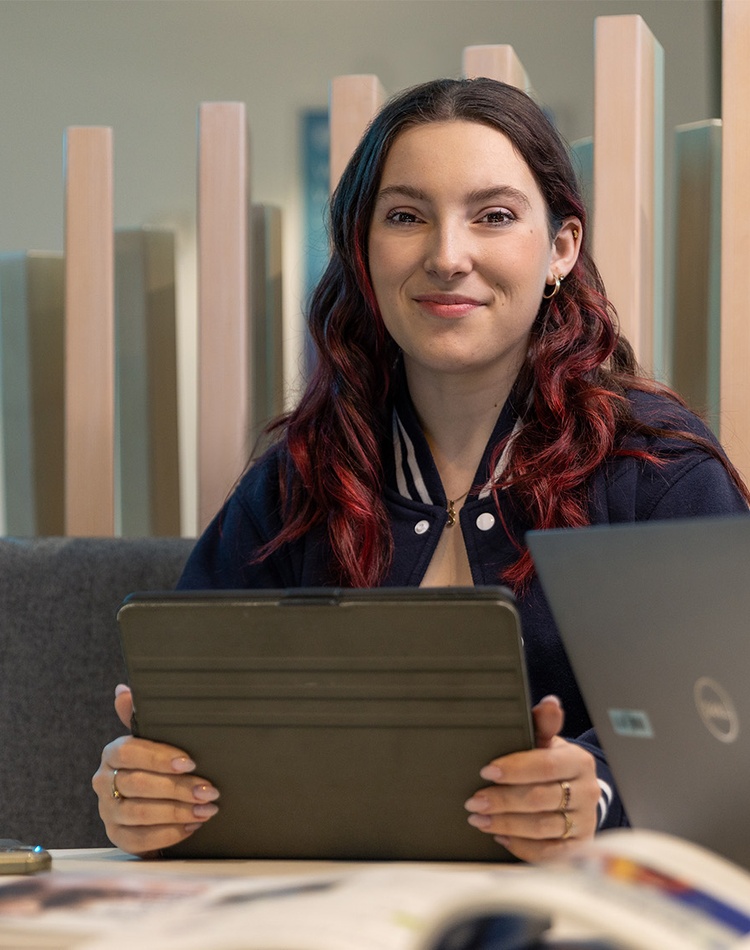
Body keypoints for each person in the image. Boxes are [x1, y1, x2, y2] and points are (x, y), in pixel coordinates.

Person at [93, 77, 750, 862]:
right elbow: (186, 732)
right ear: (364, 252)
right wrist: (145, 791)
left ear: (561, 249)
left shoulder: (657, 468)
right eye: (406, 216)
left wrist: (597, 797)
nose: (447, 255)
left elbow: (731, 754)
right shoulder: (296, 480)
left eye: (494, 216)